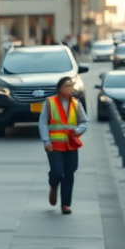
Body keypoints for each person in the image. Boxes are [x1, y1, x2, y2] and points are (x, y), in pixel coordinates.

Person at [37, 76, 88, 214]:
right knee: (58, 172)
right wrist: (46, 141)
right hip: (54, 145)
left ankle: (65, 204)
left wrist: (78, 130)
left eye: (71, 86)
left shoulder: (76, 104)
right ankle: (53, 185)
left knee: (70, 172)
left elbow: (84, 122)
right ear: (59, 89)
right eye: (66, 86)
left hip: (71, 144)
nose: (70, 89)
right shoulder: (50, 103)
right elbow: (42, 123)